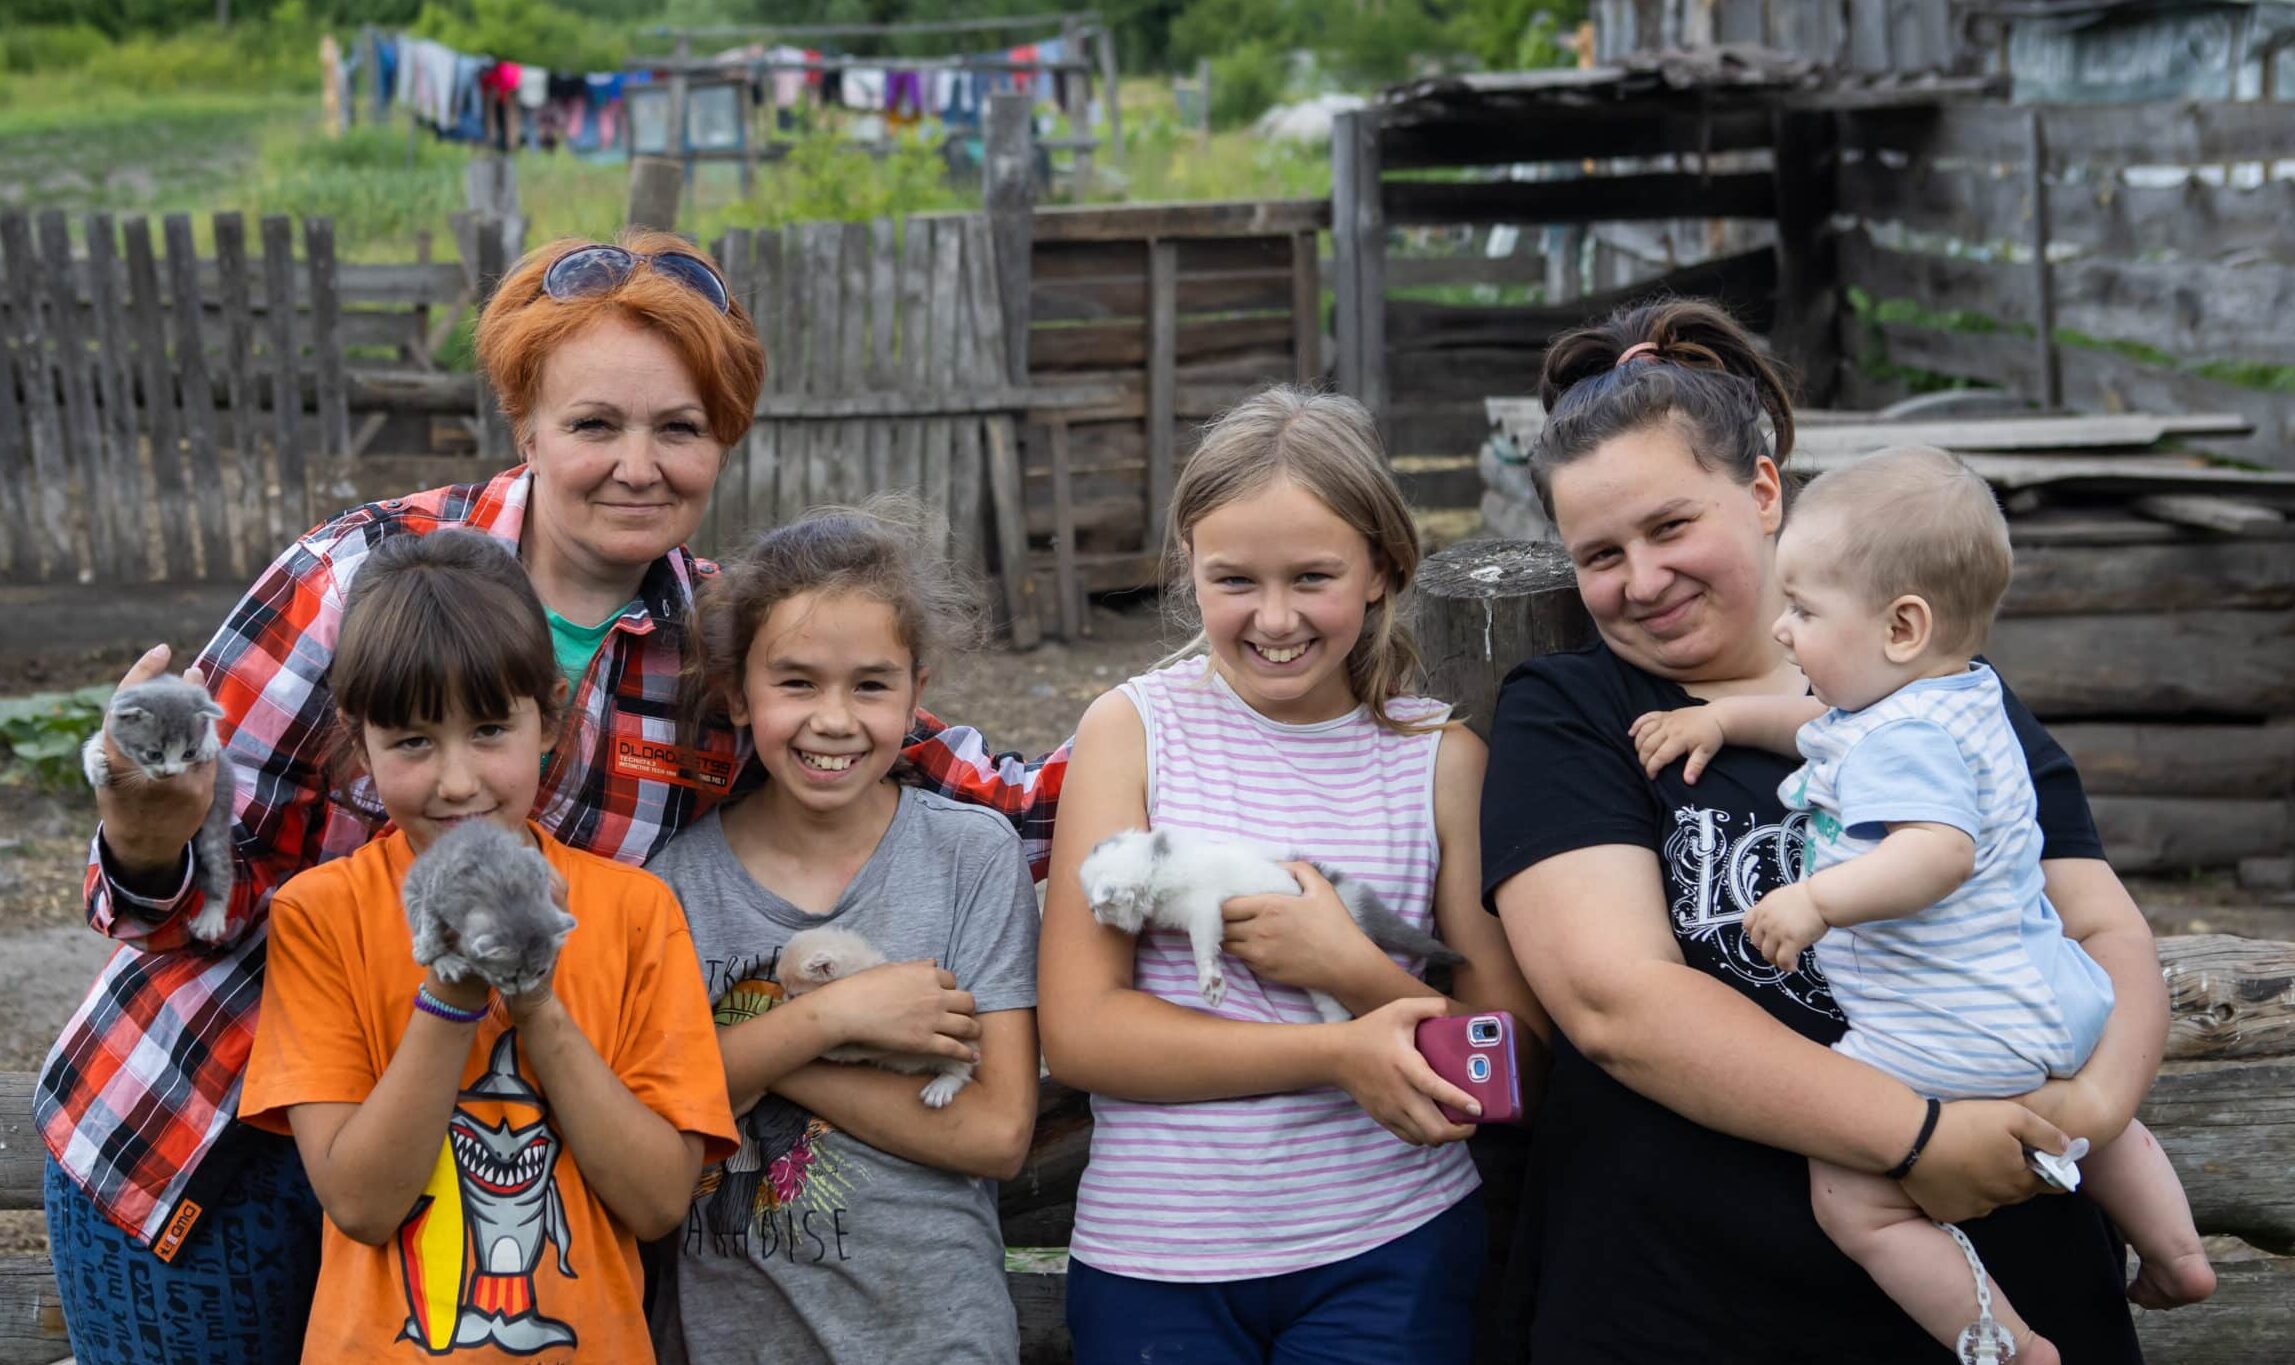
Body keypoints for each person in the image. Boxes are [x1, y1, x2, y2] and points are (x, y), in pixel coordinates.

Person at [37, 233, 1058, 1364]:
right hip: (221, 1133)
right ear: (526, 424)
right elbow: (156, 907)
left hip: (508, 1156)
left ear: (724, 440)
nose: (638, 464)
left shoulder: (716, 646)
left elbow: (961, 778)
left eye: (679, 428)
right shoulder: (362, 580)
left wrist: (1193, 723)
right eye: (594, 425)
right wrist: (144, 839)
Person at [1481, 302, 2173, 1363]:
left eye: (1670, 527)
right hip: (1690, 1309)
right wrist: (1919, 1137)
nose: (1643, 579)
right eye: (1600, 554)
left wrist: (2092, 1106)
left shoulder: (1947, 695)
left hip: (2011, 1285)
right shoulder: (1572, 714)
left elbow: (2104, 932)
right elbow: (1617, 1004)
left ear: (1763, 491)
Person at [1631, 446, 2213, 1363]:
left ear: (1901, 625)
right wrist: (1722, 717)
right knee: (2097, 1128)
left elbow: (1936, 853)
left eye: (1806, 610)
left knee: (1850, 1195)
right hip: (2051, 997)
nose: (1782, 632)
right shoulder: (1955, 698)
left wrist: (1817, 900)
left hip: (1953, 1021)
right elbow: (1810, 728)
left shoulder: (1906, 744)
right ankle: (2178, 1253)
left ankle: (2006, 1340)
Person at [1038, 387, 1546, 1365]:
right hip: (1157, 1265)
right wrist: (1333, 1055)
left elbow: (1508, 1052)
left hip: (1392, 1253)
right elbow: (1085, 1032)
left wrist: (1352, 970)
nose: (1275, 618)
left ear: (1380, 569)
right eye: (1236, 580)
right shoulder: (1133, 732)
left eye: (1312, 576)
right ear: (1189, 562)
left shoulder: (1439, 760)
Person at [236, 528, 737, 1361]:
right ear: (358, 742)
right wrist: (452, 991)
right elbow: (361, 1203)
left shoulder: (637, 911)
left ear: (550, 717)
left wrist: (535, 996)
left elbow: (656, 1201)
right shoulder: (319, 914)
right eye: (412, 742)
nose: (457, 780)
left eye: (489, 731)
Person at [645, 502, 1041, 1365]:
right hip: (730, 1343)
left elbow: (996, 1130)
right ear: (737, 694)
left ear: (916, 693)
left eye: (869, 684)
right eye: (796, 682)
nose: (834, 719)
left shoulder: (968, 857)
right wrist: (832, 1016)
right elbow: (656, 1127)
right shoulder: (673, 887)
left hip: (935, 1336)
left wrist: (768, 1059)